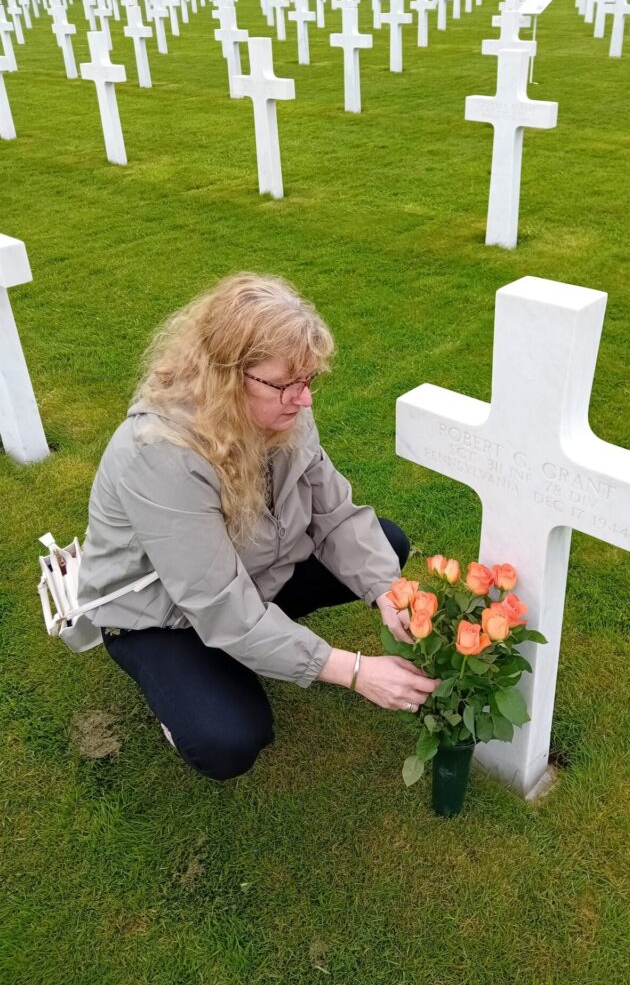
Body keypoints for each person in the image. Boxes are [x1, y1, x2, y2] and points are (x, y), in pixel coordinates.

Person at [78, 273, 440, 780]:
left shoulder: (283, 413)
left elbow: (334, 513)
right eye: (286, 384)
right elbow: (221, 606)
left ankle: (250, 653)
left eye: (309, 381)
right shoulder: (160, 455)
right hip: (161, 614)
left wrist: (386, 590)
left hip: (250, 575)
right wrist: (355, 671)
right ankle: (183, 688)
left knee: (386, 546)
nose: (305, 399)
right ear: (226, 375)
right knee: (230, 739)